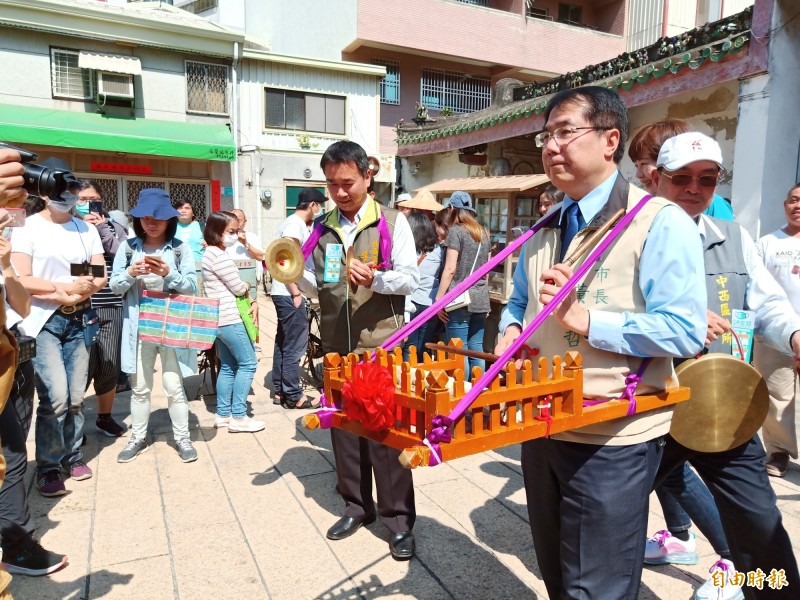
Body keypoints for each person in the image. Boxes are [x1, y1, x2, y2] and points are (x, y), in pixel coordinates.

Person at [495, 86, 707, 599]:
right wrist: (511, 332)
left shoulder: (659, 222)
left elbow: (684, 330)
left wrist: (590, 320)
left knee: (601, 587)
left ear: (611, 140)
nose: (551, 146)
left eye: (565, 131)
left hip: (612, 437)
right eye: (546, 135)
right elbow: (519, 304)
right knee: (558, 575)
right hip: (541, 423)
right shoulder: (545, 226)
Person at [650, 132, 800, 599]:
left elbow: (766, 303)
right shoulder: (631, 237)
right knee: (608, 511)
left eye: (707, 180)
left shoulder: (735, 238)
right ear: (657, 179)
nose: (694, 189)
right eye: (682, 178)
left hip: (720, 406)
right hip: (647, 405)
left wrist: (794, 334)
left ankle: (764, 587)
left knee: (759, 520)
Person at [296, 140, 420, 561]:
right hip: (336, 348)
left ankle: (398, 521)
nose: (340, 192)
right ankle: (355, 506)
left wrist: (374, 279)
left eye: (347, 182)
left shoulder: (390, 223)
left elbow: (409, 280)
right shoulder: (322, 227)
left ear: (368, 176)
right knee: (345, 432)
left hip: (380, 347)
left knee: (386, 435)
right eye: (332, 184)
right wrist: (292, 275)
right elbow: (321, 286)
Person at [10, 157, 107, 498]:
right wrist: (61, 292)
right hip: (44, 321)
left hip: (81, 319)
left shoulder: (87, 229)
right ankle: (49, 466)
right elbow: (21, 278)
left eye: (71, 189)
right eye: (59, 189)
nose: (66, 195)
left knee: (78, 397)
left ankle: (73, 453)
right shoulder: (27, 226)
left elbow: (99, 274)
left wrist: (82, 290)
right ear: (45, 191)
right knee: (55, 398)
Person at [0, 208, 68, 577]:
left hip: (16, 350)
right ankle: (17, 544)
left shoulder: (5, 250)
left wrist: (7, 265)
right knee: (11, 454)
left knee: (13, 452)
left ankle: (15, 540)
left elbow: (21, 305)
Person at [110, 189, 198, 464]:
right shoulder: (127, 248)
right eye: (146, 217)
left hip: (170, 325)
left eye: (158, 218)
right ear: (137, 219)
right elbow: (114, 287)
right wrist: (130, 273)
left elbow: (192, 287)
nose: (152, 222)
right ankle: (137, 437)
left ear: (169, 220)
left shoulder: (180, 247)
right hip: (138, 326)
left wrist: (167, 272)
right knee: (140, 387)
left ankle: (182, 437)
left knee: (174, 385)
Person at [754, 182, 800, 478]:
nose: (798, 206)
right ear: (785, 205)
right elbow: (755, 288)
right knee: (776, 394)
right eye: (794, 200)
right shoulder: (766, 243)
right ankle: (779, 451)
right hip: (774, 335)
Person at [201, 211, 263, 433]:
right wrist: (247, 287)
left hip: (218, 319)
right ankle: (238, 416)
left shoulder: (209, 253)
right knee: (248, 363)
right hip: (230, 318)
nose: (235, 236)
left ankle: (223, 414)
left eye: (237, 231)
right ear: (216, 231)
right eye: (231, 231)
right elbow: (237, 287)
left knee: (228, 366)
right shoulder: (219, 256)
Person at [75, 180, 128, 438]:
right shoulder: (69, 227)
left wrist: (103, 229)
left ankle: (104, 417)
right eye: (82, 198)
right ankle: (73, 425)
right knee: (81, 367)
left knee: (109, 365)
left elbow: (124, 256)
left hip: (113, 305)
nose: (87, 203)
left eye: (92, 198)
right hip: (81, 306)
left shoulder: (114, 226)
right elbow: (73, 266)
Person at [271, 188, 324, 409]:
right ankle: (294, 396)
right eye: (320, 205)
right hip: (289, 292)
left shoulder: (292, 222)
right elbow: (284, 258)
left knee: (283, 343)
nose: (320, 210)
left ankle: (280, 391)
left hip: (282, 291)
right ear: (313, 205)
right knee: (295, 346)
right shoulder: (295, 225)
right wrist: (295, 291)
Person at [628, 118, 734, 221]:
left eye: (644, 163)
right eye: (636, 165)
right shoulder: (641, 209)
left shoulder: (712, 206)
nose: (638, 174)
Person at [434, 192, 490, 375]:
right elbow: (486, 270)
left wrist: (439, 299)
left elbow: (450, 269)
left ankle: (462, 392)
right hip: (481, 297)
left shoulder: (456, 232)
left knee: (459, 350)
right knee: (476, 348)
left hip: (459, 298)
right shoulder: (484, 233)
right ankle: (477, 391)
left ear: (452, 209)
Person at [403, 212, 443, 361]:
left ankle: (410, 379)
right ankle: (423, 378)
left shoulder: (406, 251)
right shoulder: (439, 251)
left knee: (409, 347)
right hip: (430, 304)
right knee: (425, 347)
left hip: (410, 303)